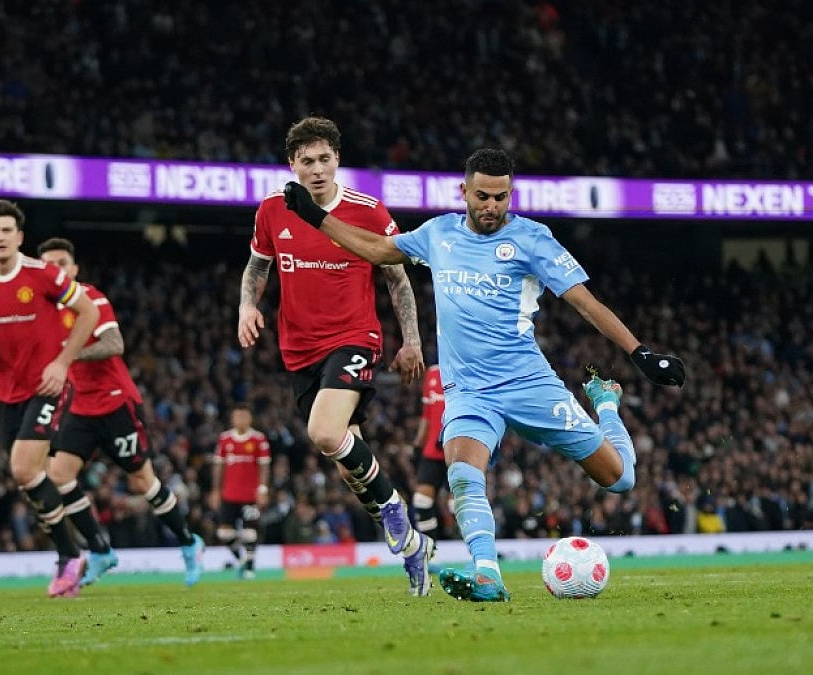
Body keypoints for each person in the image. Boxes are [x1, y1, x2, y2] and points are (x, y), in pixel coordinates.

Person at [280, 148, 685, 601]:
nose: (492, 206)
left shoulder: (533, 239)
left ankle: (607, 405)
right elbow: (377, 249)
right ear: (465, 192)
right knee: (462, 472)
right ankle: (488, 576)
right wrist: (316, 216)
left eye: (501, 197)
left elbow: (585, 302)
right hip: (470, 392)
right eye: (483, 196)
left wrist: (641, 353)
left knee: (620, 478)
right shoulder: (439, 234)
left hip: (529, 383)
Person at [237, 115, 436, 596]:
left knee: (324, 432)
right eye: (307, 161)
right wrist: (247, 304)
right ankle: (412, 545)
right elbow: (256, 267)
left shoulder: (367, 212)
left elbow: (396, 278)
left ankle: (394, 512)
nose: (318, 169)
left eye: (325, 159)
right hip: (298, 351)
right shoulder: (271, 211)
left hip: (354, 337)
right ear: (293, 164)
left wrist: (411, 340)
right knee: (348, 462)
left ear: (337, 160)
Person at [0, 199, 100, 598]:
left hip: (47, 385)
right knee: (30, 478)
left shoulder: (43, 274)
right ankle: (73, 554)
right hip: (6, 392)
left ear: (20, 236)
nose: (0, 237)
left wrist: (62, 363)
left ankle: (73, 553)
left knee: (24, 469)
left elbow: (88, 313)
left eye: (7, 230)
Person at [36, 237, 205, 587]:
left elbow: (115, 344)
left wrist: (65, 356)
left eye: (62, 263)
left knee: (141, 481)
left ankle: (190, 542)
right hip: (80, 406)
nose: (56, 271)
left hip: (115, 403)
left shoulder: (91, 298)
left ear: (74, 269)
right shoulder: (43, 309)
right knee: (59, 474)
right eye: (49, 265)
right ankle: (100, 551)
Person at [211, 404, 271, 579]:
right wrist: (215, 491)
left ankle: (250, 568)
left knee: (250, 532)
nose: (240, 420)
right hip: (229, 494)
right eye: (237, 417)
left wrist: (263, 489)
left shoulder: (259, 440)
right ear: (232, 419)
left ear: (250, 419)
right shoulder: (225, 439)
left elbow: (264, 467)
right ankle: (242, 559)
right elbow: (218, 467)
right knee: (223, 533)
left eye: (244, 417)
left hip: (250, 495)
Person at [411, 364, 447, 543]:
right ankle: (430, 550)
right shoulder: (432, 373)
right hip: (433, 450)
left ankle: (480, 552)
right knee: (421, 501)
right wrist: (418, 443)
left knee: (460, 504)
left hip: (459, 449)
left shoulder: (468, 367)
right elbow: (427, 414)